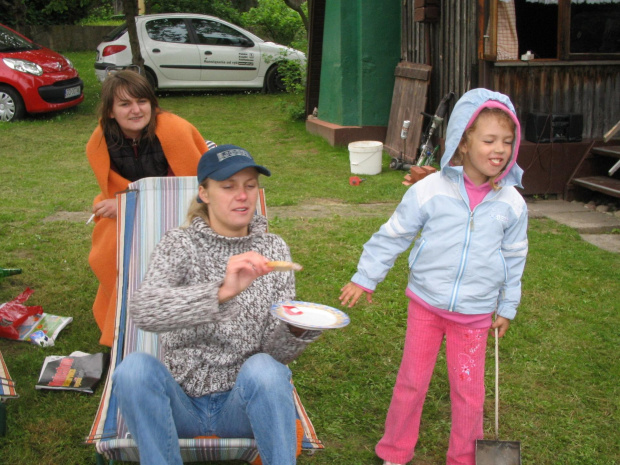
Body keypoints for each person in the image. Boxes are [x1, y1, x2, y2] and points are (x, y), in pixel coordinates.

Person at [339, 88, 528, 465]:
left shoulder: (512, 203)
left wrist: (506, 305)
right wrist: (365, 277)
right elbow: (394, 235)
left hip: (474, 315)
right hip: (425, 305)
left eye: (508, 141)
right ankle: (394, 450)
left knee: (469, 392)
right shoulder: (430, 191)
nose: (500, 149)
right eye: (489, 139)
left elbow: (514, 256)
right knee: (412, 381)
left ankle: (464, 458)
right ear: (462, 143)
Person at [111, 145, 321, 465]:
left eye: (250, 185)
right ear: (204, 193)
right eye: (228, 186)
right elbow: (144, 310)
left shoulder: (273, 250)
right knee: (134, 370)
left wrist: (295, 329)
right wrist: (220, 292)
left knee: (266, 369)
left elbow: (275, 357)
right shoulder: (179, 244)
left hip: (241, 407)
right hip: (181, 405)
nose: (242, 195)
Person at [86, 70, 209, 346]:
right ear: (110, 112)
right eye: (125, 104)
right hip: (129, 207)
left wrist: (130, 205)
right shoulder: (100, 141)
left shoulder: (175, 129)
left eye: (142, 101)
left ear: (153, 104)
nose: (135, 110)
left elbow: (196, 188)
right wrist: (122, 205)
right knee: (105, 254)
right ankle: (121, 328)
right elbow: (112, 188)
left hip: (183, 210)